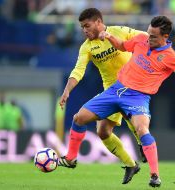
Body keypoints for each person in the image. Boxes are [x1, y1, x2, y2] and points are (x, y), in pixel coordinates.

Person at [59, 15, 175, 187]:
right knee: (79, 118)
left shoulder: (172, 57)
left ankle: (154, 175)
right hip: (115, 90)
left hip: (137, 97)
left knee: (142, 129)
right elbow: (123, 46)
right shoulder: (141, 40)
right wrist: (109, 37)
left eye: (153, 36)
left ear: (165, 37)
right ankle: (71, 158)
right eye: (148, 33)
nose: (148, 38)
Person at [58, 8, 147, 184]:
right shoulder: (87, 47)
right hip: (110, 92)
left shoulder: (117, 31)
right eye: (82, 27)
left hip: (132, 86)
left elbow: (144, 36)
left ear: (99, 22)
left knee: (136, 125)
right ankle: (130, 164)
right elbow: (78, 70)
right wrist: (67, 90)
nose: (84, 30)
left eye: (87, 26)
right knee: (99, 129)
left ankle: (142, 144)